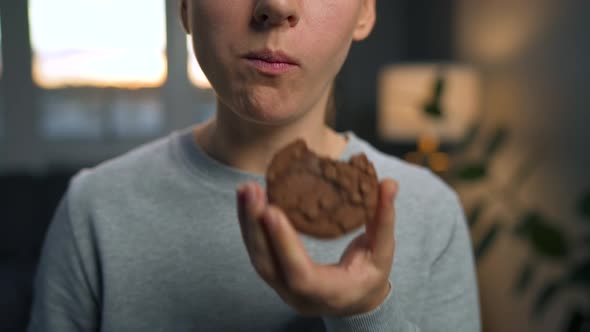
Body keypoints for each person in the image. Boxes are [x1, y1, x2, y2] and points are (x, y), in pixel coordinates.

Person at [28, 0, 481, 331]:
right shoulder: (95, 209)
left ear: (364, 11)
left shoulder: (430, 213)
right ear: (185, 7)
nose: (276, 6)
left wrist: (365, 310)